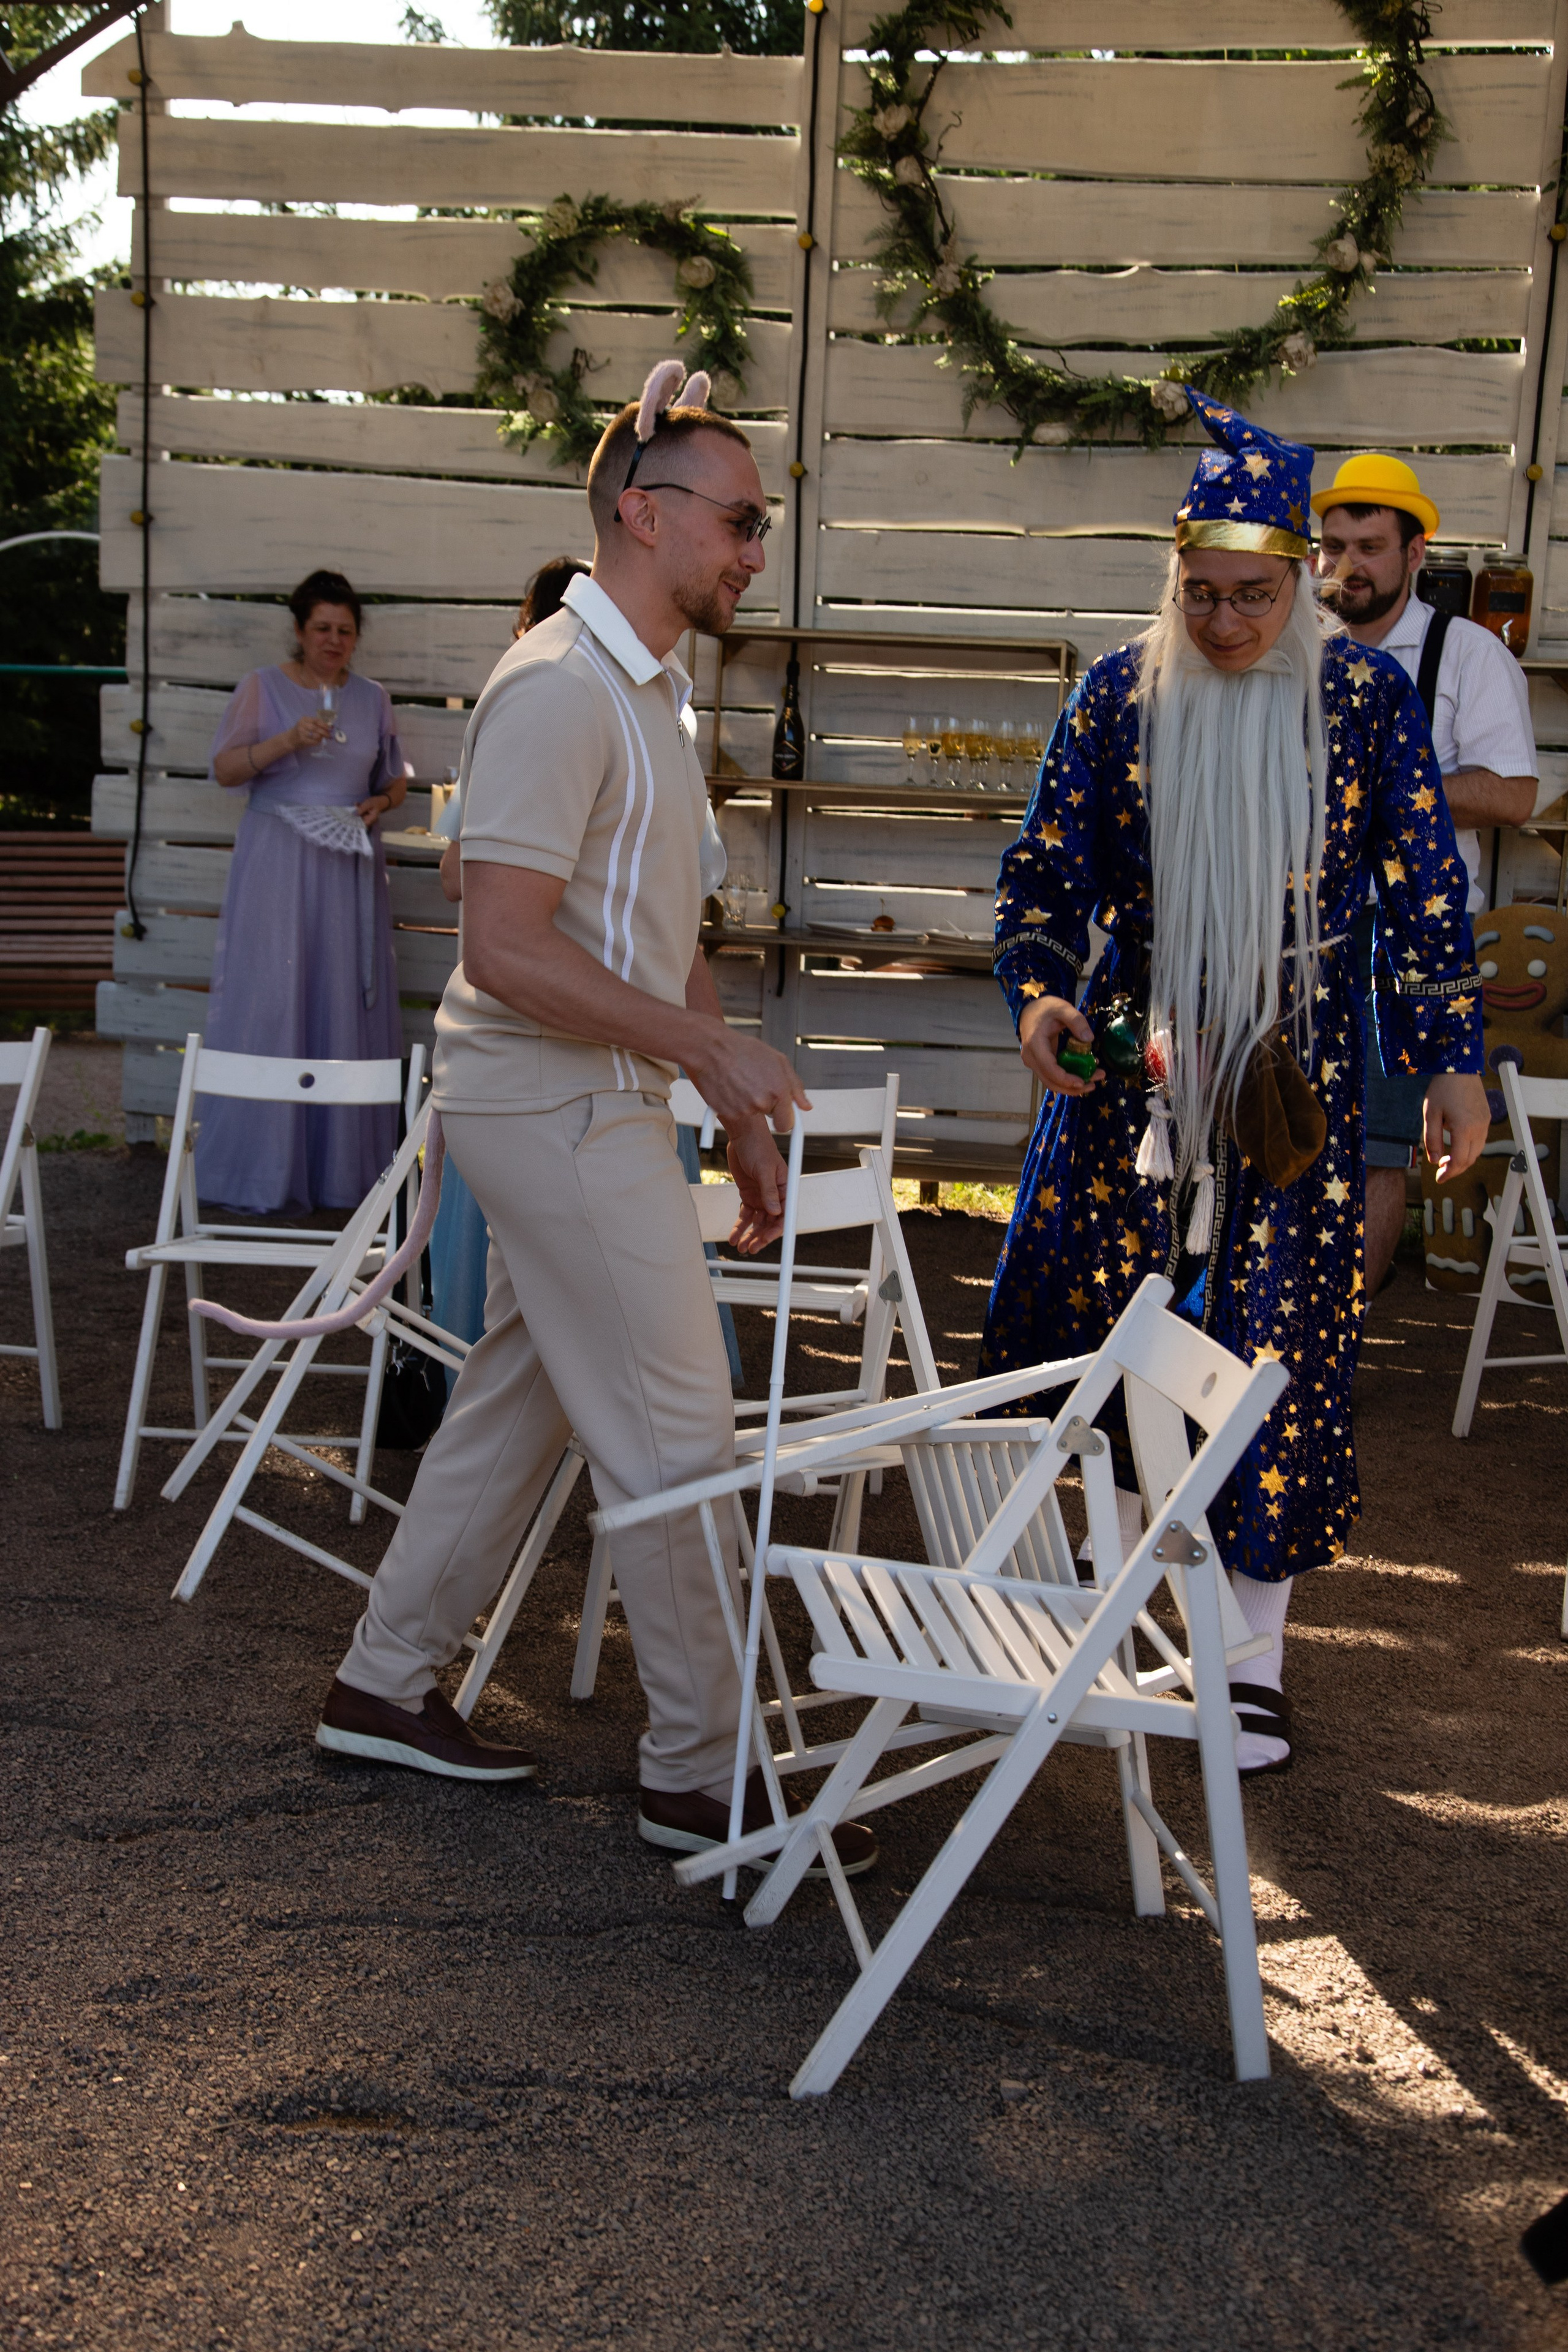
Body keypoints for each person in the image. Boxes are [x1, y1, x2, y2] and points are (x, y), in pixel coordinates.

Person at [314, 361, 875, 1872]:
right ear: (641, 511)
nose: (757, 547)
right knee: (683, 1436)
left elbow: (654, 921)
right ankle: (702, 1771)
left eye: (764, 521)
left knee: (527, 1388)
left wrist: (720, 1091)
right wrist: (702, 1048)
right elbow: (499, 942)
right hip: (549, 1098)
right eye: (741, 519)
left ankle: (381, 1678)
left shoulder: (645, 687)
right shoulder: (560, 684)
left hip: (598, 1093)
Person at [979, 390, 1488, 1776]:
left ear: (1298, 579)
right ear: (1171, 576)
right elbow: (1042, 873)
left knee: (1272, 1350)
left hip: (1295, 1074)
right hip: (1124, 1068)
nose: (1221, 622)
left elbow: (1422, 892)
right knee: (1092, 1317)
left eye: (1250, 594)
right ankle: (1086, 1614)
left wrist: (1449, 1065)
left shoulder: (1364, 700)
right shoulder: (1115, 691)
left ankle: (1243, 1659)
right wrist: (1037, 989)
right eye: (1197, 593)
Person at [1313, 458, 1539, 1295]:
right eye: (1334, 546)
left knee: (1373, 1148)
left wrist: (1385, 800)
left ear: (1416, 554)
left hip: (1403, 937)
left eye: (1371, 546)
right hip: (1294, 930)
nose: (1349, 566)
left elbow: (1514, 792)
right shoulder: (1287, 648)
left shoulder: (1467, 653)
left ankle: (1330, 1354)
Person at [197, 569, 409, 1213]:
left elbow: (395, 778)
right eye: (323, 628)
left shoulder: (372, 698)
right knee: (277, 994)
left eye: (345, 631)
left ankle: (342, 1170)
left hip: (347, 863)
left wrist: (380, 801)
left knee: (340, 999)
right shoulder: (262, 689)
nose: (334, 640)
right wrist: (286, 741)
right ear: (299, 630)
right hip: (279, 862)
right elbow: (225, 770)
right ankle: (264, 1166)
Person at [427, 557, 591, 1358]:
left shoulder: (633, 714)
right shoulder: (528, 706)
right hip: (538, 995)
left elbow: (455, 870)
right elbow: (461, 877)